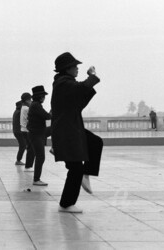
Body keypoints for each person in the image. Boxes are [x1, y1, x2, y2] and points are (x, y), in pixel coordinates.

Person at [51, 52, 103, 213]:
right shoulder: (62, 83)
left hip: (71, 129)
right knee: (75, 168)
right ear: (67, 69)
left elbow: (79, 98)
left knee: (95, 142)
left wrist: (90, 83)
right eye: (75, 66)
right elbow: (80, 88)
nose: (77, 69)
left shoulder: (65, 83)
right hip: (67, 131)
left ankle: (86, 174)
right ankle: (66, 204)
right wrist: (92, 76)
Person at [27, 86, 52, 186]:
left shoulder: (35, 105)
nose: (44, 98)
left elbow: (46, 117)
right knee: (40, 156)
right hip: (36, 134)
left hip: (38, 133)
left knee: (40, 156)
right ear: (40, 97)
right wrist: (52, 112)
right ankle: (36, 179)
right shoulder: (36, 105)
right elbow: (47, 116)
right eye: (43, 96)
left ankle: (37, 179)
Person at [20, 92, 35, 172]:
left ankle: (28, 166)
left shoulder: (23, 107)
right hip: (26, 130)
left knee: (30, 148)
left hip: (23, 130)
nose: (31, 101)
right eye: (30, 100)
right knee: (31, 148)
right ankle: (28, 166)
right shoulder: (27, 108)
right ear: (26, 100)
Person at [12, 100, 26, 166]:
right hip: (19, 132)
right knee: (23, 145)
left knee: (23, 145)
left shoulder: (16, 111)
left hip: (17, 131)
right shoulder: (20, 112)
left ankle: (18, 160)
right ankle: (18, 160)